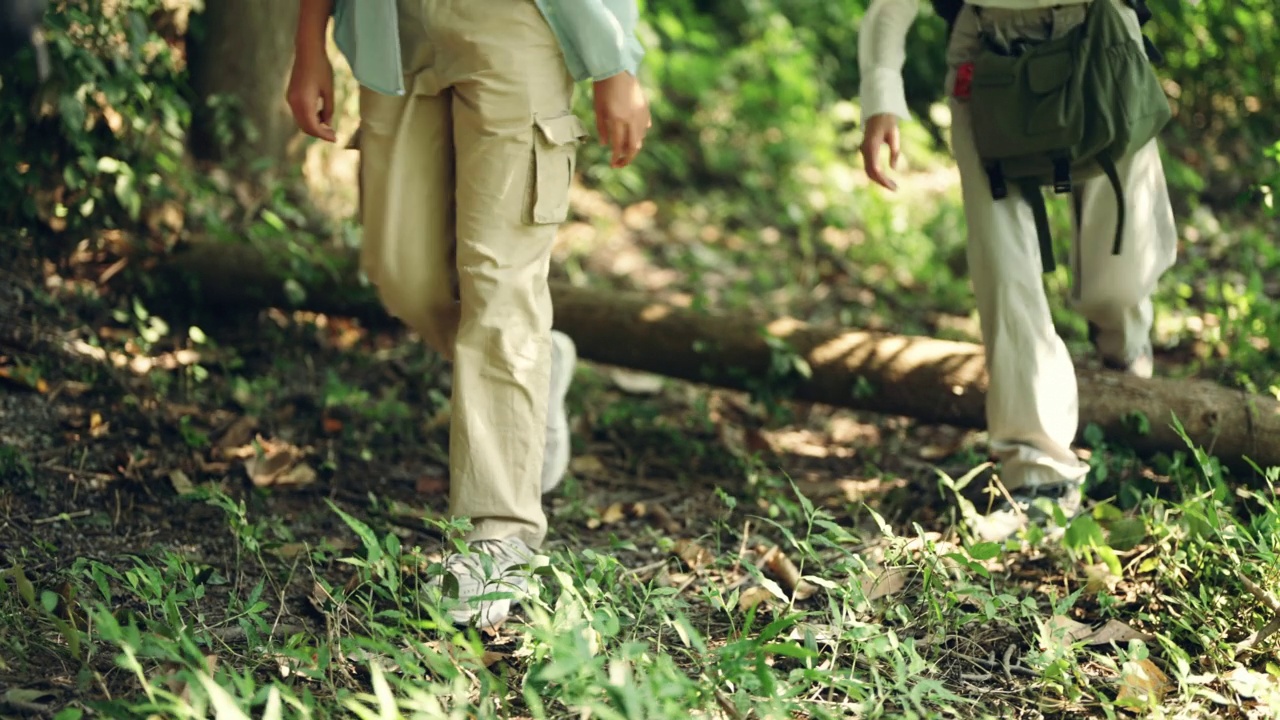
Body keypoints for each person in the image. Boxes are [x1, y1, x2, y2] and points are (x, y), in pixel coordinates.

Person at [286, 0, 651, 628]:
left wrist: (615, 59)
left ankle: (499, 535)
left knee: (500, 280)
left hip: (517, 24)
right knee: (401, 274)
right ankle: (537, 369)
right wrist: (309, 41)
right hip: (394, 28)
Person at [857, 0, 1177, 540]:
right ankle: (1038, 477)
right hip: (986, 50)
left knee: (1120, 271)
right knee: (1006, 271)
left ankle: (1123, 352)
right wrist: (880, 96)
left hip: (1102, 34)